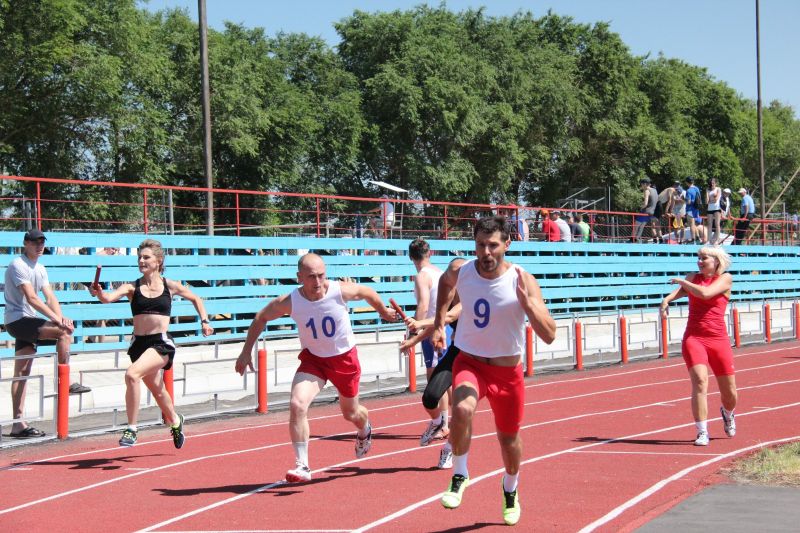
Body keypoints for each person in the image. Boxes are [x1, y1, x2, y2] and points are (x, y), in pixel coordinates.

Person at [431, 216, 556, 526]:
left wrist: (529, 306)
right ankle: (460, 474)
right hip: (470, 363)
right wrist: (439, 323)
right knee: (462, 409)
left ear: (507, 244)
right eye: (480, 245)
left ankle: (510, 488)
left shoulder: (522, 280)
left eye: (493, 245)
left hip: (507, 372)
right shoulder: (462, 271)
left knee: (509, 440)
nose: (486, 252)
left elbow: (550, 335)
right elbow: (445, 284)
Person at [235, 253, 397, 483]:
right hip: (314, 360)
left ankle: (365, 429)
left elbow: (367, 292)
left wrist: (382, 310)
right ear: (299, 277)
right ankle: (302, 465)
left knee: (351, 413)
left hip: (344, 359)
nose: (318, 282)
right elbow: (261, 317)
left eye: (321, 275)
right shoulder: (291, 301)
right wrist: (245, 352)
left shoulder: (339, 291)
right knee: (297, 404)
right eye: (311, 277)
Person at [89, 238, 213, 447]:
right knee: (157, 390)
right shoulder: (132, 287)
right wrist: (99, 292)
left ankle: (131, 429)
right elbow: (107, 298)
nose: (141, 261)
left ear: (158, 261)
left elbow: (196, 299)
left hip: (160, 343)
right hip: (139, 345)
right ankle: (176, 421)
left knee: (132, 375)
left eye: (146, 257)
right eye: (139, 257)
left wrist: (205, 321)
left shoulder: (169, 285)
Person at [3, 229, 89, 438]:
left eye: (42, 242)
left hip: (28, 321)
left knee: (22, 373)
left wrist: (61, 318)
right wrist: (58, 321)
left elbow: (50, 297)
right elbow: (32, 298)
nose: (39, 246)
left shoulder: (40, 268)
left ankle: (17, 425)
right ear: (25, 243)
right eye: (35, 242)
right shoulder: (18, 265)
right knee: (63, 334)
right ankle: (63, 380)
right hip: (18, 321)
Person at [659, 246, 737, 446]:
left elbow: (705, 293)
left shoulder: (725, 278)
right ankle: (702, 431)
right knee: (700, 382)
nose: (700, 262)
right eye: (698, 258)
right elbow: (681, 292)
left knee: (730, 393)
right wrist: (666, 300)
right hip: (694, 338)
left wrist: (683, 282)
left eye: (704, 258)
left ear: (716, 261)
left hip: (718, 340)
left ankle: (728, 413)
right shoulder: (692, 277)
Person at [399, 258, 466, 469]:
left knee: (463, 408)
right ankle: (438, 422)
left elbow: (450, 316)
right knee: (430, 397)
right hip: (458, 351)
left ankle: (449, 449)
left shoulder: (472, 295)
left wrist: (419, 322)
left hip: (479, 355)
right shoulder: (448, 295)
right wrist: (413, 340)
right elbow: (438, 321)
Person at [407, 238, 451, 451]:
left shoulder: (422, 276)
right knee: (444, 378)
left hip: (431, 330)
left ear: (410, 257)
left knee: (435, 379)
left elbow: (423, 305)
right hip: (446, 326)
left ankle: (443, 424)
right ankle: (446, 422)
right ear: (430, 253)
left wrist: (414, 330)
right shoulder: (440, 273)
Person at [704, 178, 722, 245]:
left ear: (715, 183)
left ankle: (717, 239)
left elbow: (716, 199)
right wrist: (708, 194)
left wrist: (711, 200)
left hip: (717, 208)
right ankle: (709, 240)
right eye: (711, 183)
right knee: (709, 224)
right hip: (710, 209)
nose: (712, 184)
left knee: (717, 224)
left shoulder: (718, 189)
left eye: (713, 183)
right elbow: (706, 201)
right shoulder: (708, 190)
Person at [684, 177, 702, 244]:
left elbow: (688, 202)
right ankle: (697, 237)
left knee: (691, 224)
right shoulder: (697, 189)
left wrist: (683, 199)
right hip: (696, 209)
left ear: (687, 182)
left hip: (690, 209)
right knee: (694, 224)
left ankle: (693, 239)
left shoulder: (689, 190)